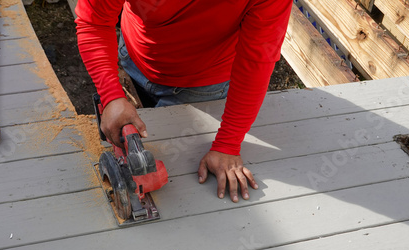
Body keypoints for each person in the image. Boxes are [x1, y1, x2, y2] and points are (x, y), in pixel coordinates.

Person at [75, 0, 292, 203]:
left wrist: (228, 144)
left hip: (202, 86)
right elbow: (94, 21)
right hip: (134, 55)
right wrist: (111, 94)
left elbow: (257, 61)